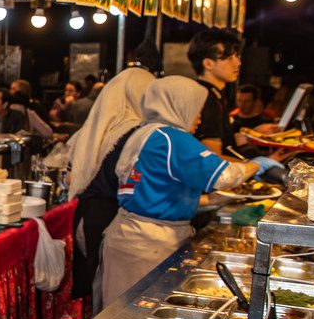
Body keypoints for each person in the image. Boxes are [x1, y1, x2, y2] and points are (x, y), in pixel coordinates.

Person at [100, 77, 280, 305]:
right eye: (196, 109)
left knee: (122, 311)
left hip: (131, 237)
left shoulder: (146, 133)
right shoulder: (173, 139)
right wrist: (259, 164)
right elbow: (226, 176)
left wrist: (209, 201)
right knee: (135, 314)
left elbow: (155, 191)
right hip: (149, 245)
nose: (200, 117)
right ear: (178, 105)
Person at [64, 67, 155, 310]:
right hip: (111, 218)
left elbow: (71, 172)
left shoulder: (98, 127)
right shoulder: (135, 132)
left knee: (95, 281)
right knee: (107, 287)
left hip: (87, 215)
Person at [187, 27, 243, 157]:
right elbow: (213, 159)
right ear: (208, 64)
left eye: (236, 56)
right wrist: (255, 166)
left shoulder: (214, 94)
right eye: (229, 58)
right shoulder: (207, 98)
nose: (238, 63)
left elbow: (224, 142)